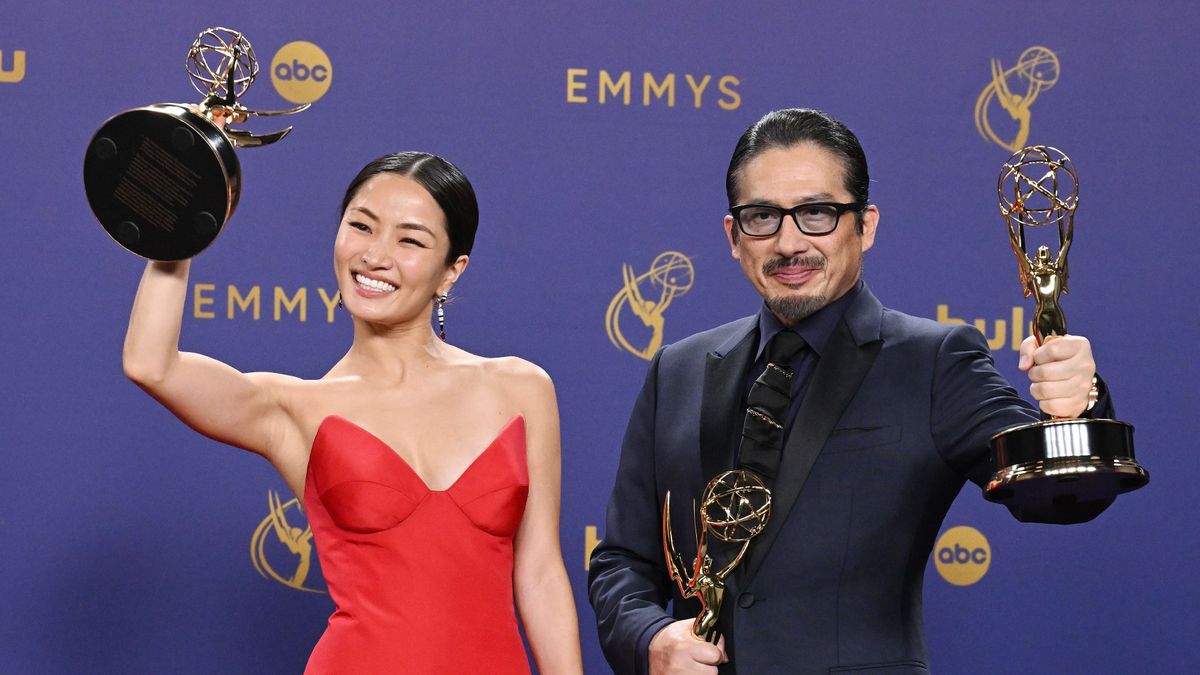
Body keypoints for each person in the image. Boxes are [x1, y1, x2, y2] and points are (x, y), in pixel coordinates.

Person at [587, 108, 1111, 675]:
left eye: (817, 213)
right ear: (733, 236)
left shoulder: (934, 360)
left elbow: (1063, 499)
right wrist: (650, 640)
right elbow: (623, 560)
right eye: (762, 216)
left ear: (865, 226)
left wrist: (1076, 409)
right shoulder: (678, 369)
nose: (789, 243)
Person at [123, 150, 583, 674]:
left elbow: (542, 572)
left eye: (410, 240)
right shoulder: (296, 408)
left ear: (451, 272)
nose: (375, 255)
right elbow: (151, 364)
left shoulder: (521, 389)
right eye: (361, 227)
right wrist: (182, 219)